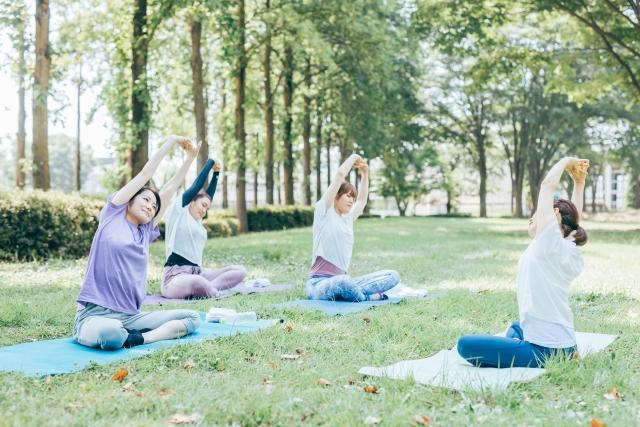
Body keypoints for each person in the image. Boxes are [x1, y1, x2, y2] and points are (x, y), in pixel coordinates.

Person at [456, 157, 590, 368]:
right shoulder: (567, 247)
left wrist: (565, 161)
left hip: (546, 351)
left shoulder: (547, 242)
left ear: (552, 216)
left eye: (536, 214)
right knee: (517, 327)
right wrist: (579, 183)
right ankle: (531, 349)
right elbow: (574, 220)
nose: (531, 218)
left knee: (465, 345)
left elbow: (547, 185)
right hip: (565, 343)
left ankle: (526, 352)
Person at [73, 135, 203, 350]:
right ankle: (123, 335)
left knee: (192, 317)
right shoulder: (113, 214)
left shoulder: (145, 232)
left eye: (154, 206)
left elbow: (170, 188)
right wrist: (171, 141)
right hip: (94, 316)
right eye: (146, 200)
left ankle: (141, 339)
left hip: (130, 317)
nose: (151, 206)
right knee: (112, 333)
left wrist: (190, 158)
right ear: (130, 200)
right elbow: (145, 174)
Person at [307, 153, 400, 302]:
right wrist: (354, 157)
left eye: (353, 198)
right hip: (319, 285)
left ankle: (351, 293)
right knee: (343, 282)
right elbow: (339, 175)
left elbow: (362, 201)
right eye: (348, 196)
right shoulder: (323, 211)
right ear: (336, 197)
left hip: (344, 281)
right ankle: (366, 298)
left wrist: (365, 173)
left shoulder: (347, 219)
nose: (352, 201)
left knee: (393, 276)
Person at [161, 159, 247, 299]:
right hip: (175, 278)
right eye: (203, 206)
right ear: (192, 202)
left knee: (240, 271)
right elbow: (196, 186)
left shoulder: (196, 221)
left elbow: (208, 196)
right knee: (198, 282)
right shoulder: (179, 212)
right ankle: (212, 292)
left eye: (207, 209)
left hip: (198, 273)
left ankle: (207, 289)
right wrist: (210, 162)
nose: (204, 211)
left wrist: (216, 173)